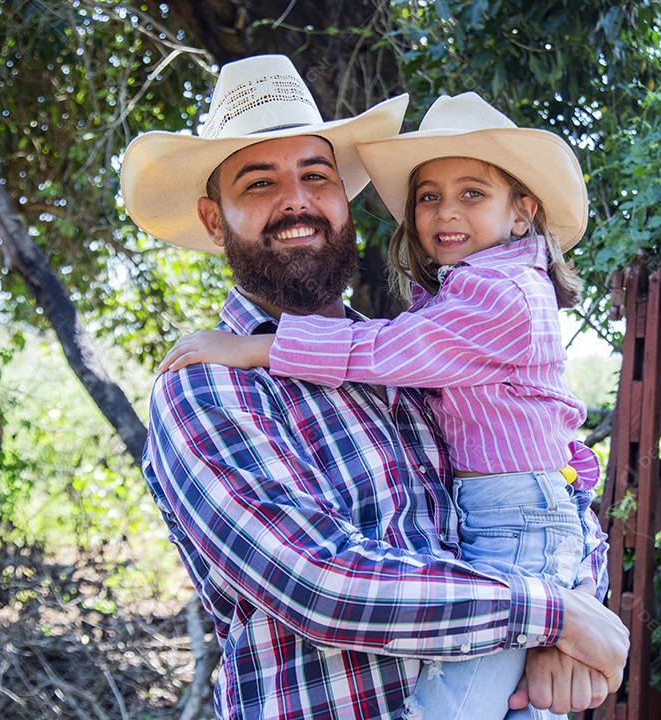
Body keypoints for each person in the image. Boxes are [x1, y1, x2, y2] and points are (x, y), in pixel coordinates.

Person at [121, 55, 627, 720]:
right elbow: (321, 583)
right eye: (259, 183)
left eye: (315, 176)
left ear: (343, 198)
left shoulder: (408, 362)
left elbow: (546, 483)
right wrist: (551, 614)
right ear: (215, 222)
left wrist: (568, 622)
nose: (296, 200)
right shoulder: (207, 387)